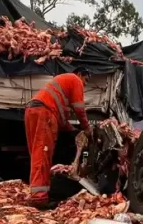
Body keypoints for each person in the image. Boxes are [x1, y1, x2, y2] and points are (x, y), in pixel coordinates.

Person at [24, 67, 92, 206]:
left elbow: (62, 119)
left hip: (32, 110)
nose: (84, 84)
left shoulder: (63, 85)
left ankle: (38, 193)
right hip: (44, 113)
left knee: (36, 153)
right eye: (86, 80)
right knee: (42, 154)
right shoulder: (75, 80)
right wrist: (86, 128)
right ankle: (39, 198)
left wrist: (73, 131)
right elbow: (79, 108)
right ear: (79, 74)